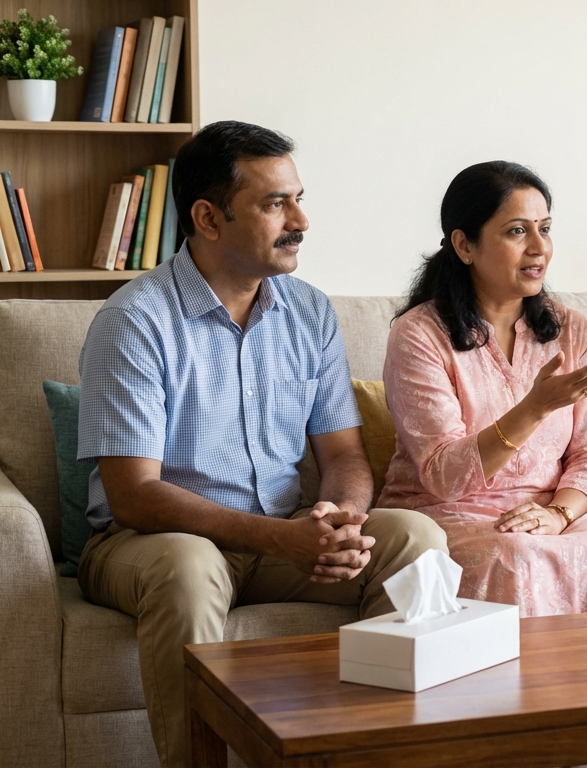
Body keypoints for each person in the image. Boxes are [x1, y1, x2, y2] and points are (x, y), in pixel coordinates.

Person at [75, 121, 449, 768]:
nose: (300, 218)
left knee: (415, 539)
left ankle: (379, 755)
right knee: (187, 569)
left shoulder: (309, 311)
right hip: (153, 545)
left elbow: (343, 459)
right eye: (276, 203)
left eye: (298, 197)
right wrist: (283, 539)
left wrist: (339, 520)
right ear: (208, 218)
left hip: (282, 535)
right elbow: (134, 497)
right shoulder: (134, 321)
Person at [377, 161, 587, 617]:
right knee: (514, 560)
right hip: (450, 516)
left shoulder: (569, 328)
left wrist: (560, 514)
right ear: (464, 245)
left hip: (551, 512)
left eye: (545, 229)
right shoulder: (419, 335)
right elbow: (443, 476)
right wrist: (532, 409)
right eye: (516, 231)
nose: (539, 248)